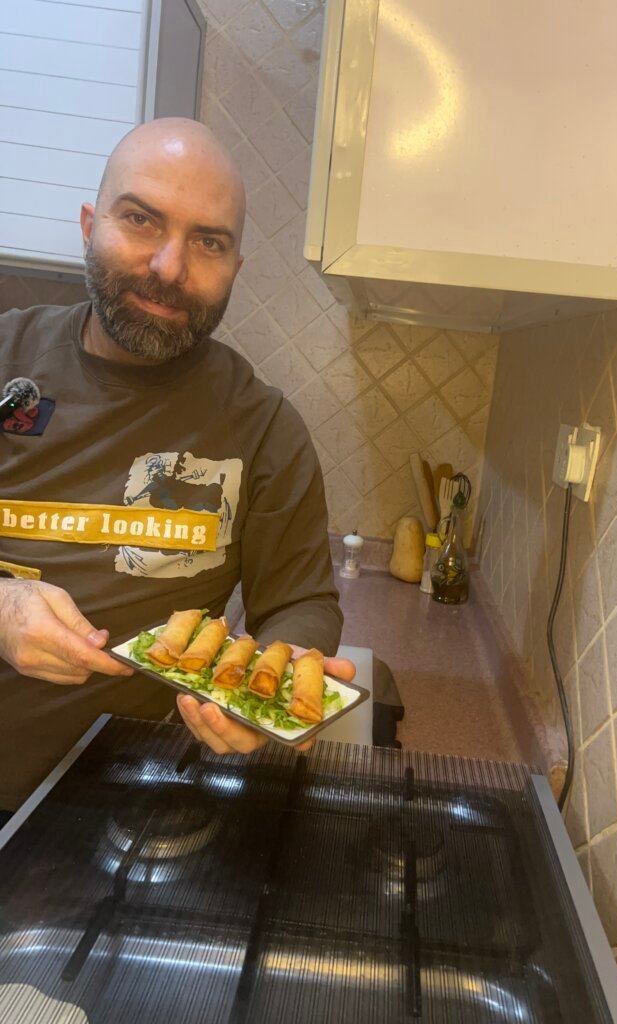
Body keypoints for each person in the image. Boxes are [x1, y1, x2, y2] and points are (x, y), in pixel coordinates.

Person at [0, 118, 351, 816]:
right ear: (90, 225)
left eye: (208, 242)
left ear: (236, 268)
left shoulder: (264, 427)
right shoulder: (8, 359)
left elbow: (301, 603)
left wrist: (269, 688)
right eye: (140, 219)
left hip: (134, 808)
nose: (168, 267)